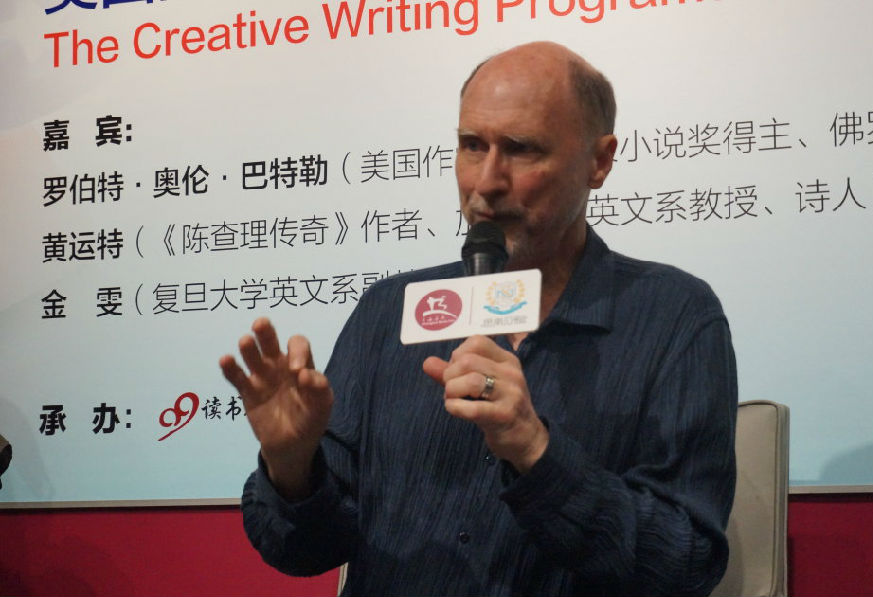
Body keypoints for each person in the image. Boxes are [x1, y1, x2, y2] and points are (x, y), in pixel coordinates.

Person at [220, 41, 737, 596]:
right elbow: (306, 550)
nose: (486, 182)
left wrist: (534, 450)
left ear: (599, 160)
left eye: (521, 149)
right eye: (472, 145)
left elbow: (686, 564)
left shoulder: (675, 317)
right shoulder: (390, 311)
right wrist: (292, 469)